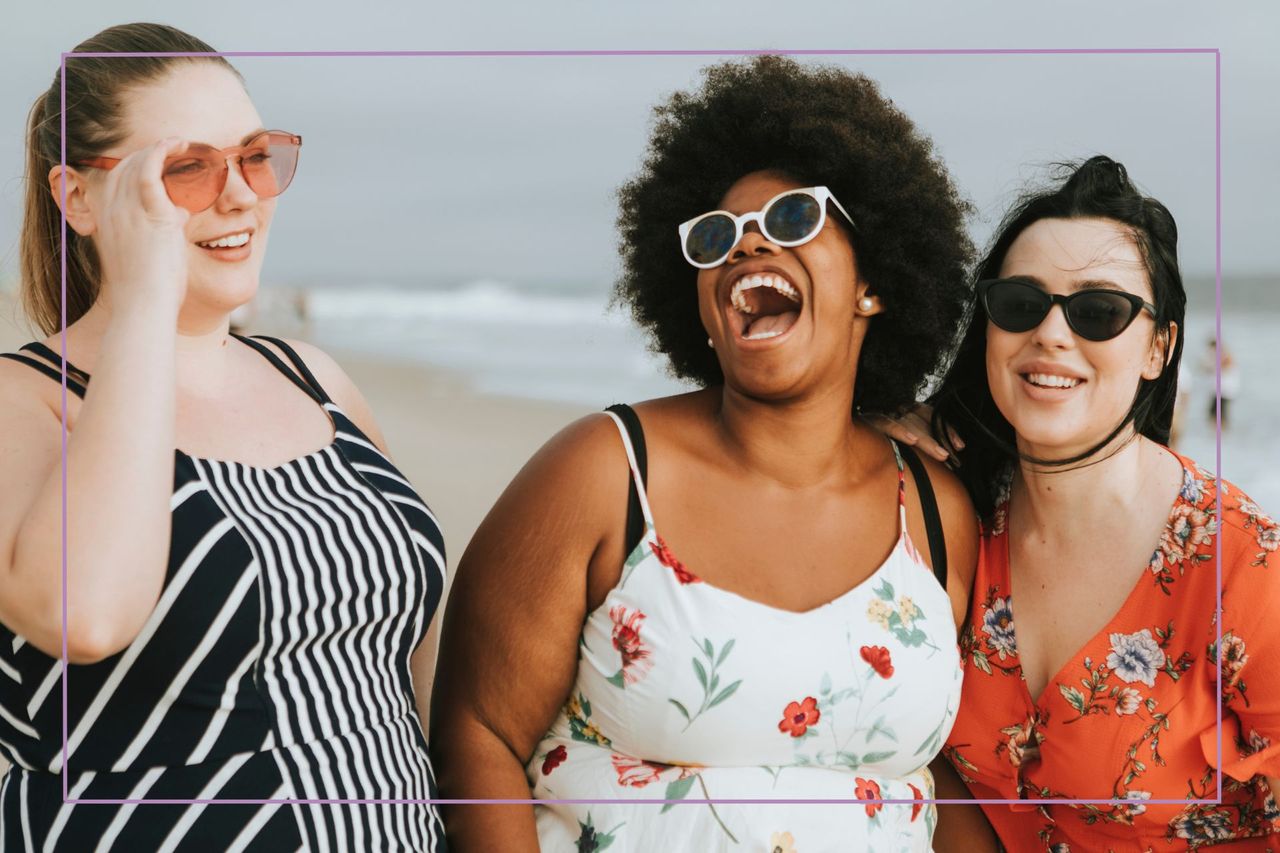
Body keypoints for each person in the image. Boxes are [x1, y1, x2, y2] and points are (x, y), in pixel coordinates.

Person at [431, 56, 981, 851]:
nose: (746, 243)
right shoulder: (605, 471)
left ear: (874, 283)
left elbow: (945, 775)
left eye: (793, 219)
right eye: (715, 235)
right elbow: (476, 736)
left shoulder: (934, 509)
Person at [0, 24, 447, 850]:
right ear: (79, 199)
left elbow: (411, 663)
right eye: (188, 169)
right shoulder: (23, 400)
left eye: (254, 155)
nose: (241, 193)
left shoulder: (314, 378)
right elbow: (83, 613)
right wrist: (142, 298)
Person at [911, 156, 1279, 850]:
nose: (1051, 332)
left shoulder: (1243, 564)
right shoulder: (947, 525)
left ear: (1159, 349)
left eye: (1098, 311)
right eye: (1021, 302)